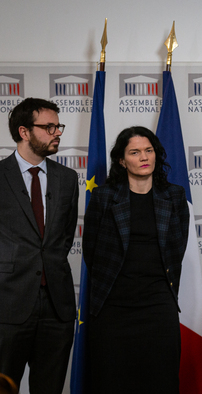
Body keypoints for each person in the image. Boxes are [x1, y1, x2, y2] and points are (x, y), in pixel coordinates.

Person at [83, 126, 189, 394]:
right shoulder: (104, 196)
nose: (144, 157)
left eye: (149, 150)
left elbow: (178, 247)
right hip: (112, 309)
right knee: (111, 383)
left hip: (158, 308)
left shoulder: (174, 196)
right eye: (135, 152)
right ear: (121, 160)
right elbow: (91, 252)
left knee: (162, 382)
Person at [0, 98, 79, 393]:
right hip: (7, 305)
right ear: (24, 131)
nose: (57, 132)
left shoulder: (68, 179)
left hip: (57, 308)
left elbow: (63, 239)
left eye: (58, 126)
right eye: (49, 127)